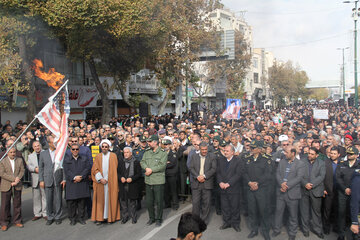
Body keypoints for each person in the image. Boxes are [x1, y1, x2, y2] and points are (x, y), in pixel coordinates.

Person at [272, 147, 305, 240]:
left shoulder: (300, 164)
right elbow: (277, 173)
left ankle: (292, 233)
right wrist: (281, 184)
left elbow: (299, 178)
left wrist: (287, 186)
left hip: (292, 193)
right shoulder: (282, 161)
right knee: (278, 212)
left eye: (286, 152)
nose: (285, 153)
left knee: (293, 214)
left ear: (293, 153)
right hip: (281, 192)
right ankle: (277, 230)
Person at [243, 140, 272, 240]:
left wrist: (257, 183)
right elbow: (244, 173)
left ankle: (265, 231)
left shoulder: (266, 159)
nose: (251, 149)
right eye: (251, 147)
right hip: (250, 188)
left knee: (263, 211)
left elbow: (268, 174)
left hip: (261, 189)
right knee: (252, 210)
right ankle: (254, 230)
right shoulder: (247, 159)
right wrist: (249, 183)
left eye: (253, 148)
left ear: (259, 149)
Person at [91, 139, 120, 225]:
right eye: (103, 147)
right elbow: (94, 169)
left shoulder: (113, 156)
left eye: (106, 147)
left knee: (110, 199)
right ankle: (100, 218)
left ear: (109, 147)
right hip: (101, 182)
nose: (104, 148)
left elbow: (115, 169)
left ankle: (110, 218)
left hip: (111, 182)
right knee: (100, 200)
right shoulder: (98, 156)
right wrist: (100, 179)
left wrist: (109, 178)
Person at [140, 135, 167, 227]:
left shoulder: (163, 153)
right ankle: (151, 218)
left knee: (159, 201)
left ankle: (159, 218)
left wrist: (151, 170)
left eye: (150, 142)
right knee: (149, 201)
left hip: (158, 180)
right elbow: (142, 162)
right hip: (148, 180)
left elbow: (162, 165)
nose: (148, 143)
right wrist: (146, 168)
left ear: (155, 142)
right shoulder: (147, 152)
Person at [39, 135, 66, 225]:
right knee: (48, 199)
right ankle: (50, 216)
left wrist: (64, 179)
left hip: (58, 178)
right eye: (53, 142)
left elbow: (64, 167)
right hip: (47, 179)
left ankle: (58, 216)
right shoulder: (43, 154)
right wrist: (41, 180)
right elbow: (41, 168)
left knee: (58, 199)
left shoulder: (60, 153)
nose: (55, 144)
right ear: (49, 143)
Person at [299, 147, 325, 239]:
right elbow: (299, 175)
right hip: (304, 190)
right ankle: (305, 230)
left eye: (312, 154)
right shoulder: (302, 161)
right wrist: (305, 183)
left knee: (316, 212)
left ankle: (318, 230)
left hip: (316, 190)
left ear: (317, 155)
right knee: (304, 211)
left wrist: (312, 184)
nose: (309, 155)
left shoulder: (321, 163)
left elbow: (321, 176)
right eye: (309, 153)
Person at [188, 141, 217, 224]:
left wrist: (204, 176)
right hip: (196, 183)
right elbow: (191, 167)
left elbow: (213, 169)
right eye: (202, 149)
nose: (204, 151)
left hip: (207, 182)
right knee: (196, 203)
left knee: (206, 203)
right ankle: (195, 220)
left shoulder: (212, 156)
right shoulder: (194, 156)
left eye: (205, 149)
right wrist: (197, 176)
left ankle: (204, 221)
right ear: (199, 149)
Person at [63, 143, 91, 225]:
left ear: (79, 150)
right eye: (73, 149)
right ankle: (72, 219)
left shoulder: (84, 158)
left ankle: (81, 218)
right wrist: (74, 178)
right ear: (71, 150)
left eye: (77, 149)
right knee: (71, 203)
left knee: (81, 203)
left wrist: (81, 177)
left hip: (82, 182)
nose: (75, 151)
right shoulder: (67, 159)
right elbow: (67, 170)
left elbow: (87, 168)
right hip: (72, 183)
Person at [335, 146, 360, 240]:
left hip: (356, 193)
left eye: (351, 154)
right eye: (348, 153)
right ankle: (341, 234)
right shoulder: (342, 164)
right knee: (341, 213)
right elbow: (338, 178)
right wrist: (345, 188)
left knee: (355, 213)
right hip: (343, 192)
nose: (349, 155)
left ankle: (355, 234)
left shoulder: (359, 165)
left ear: (356, 155)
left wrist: (353, 189)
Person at [216, 145, 242, 232]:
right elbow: (218, 172)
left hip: (233, 188)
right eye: (224, 151)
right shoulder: (221, 160)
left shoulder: (238, 161)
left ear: (232, 152)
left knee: (235, 207)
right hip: (223, 188)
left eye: (227, 151)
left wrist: (229, 183)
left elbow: (238, 174)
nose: (225, 152)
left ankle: (236, 224)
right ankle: (227, 222)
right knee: (225, 207)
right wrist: (220, 182)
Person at [0, 147, 25, 231]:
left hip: (17, 185)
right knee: (5, 205)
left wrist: (17, 179)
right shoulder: (3, 161)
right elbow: (2, 173)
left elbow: (22, 170)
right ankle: (4, 222)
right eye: (11, 152)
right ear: (7, 153)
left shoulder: (19, 160)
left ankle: (17, 220)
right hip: (6, 185)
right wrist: (13, 179)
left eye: (14, 152)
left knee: (17, 204)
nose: (13, 154)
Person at [117, 147, 142, 224]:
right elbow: (117, 173)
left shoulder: (136, 162)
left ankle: (133, 217)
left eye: (127, 152)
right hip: (123, 185)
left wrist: (132, 179)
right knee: (123, 202)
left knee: (132, 203)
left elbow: (139, 174)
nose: (126, 154)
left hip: (132, 185)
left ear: (131, 153)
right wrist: (121, 177)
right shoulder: (121, 162)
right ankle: (125, 217)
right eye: (124, 152)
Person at [27, 141, 47, 221]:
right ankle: (37, 213)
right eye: (35, 146)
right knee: (36, 197)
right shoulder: (30, 156)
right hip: (35, 178)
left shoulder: (46, 153)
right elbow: (28, 166)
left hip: (44, 178)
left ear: (40, 146)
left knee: (45, 196)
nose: (37, 147)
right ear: (33, 147)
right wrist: (35, 169)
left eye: (38, 145)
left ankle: (45, 212)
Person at [322, 146, 341, 234]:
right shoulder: (325, 162)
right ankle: (326, 228)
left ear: (339, 154)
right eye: (331, 153)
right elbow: (322, 177)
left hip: (339, 191)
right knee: (327, 210)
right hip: (328, 190)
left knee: (337, 210)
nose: (332, 155)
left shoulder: (342, 163)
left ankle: (336, 227)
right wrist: (323, 188)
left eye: (334, 154)